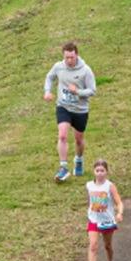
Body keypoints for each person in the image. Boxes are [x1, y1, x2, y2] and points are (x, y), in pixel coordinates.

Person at [44, 40, 96, 181]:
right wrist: (47, 91)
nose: (69, 60)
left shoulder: (85, 70)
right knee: (62, 136)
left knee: (79, 139)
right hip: (63, 106)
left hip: (80, 110)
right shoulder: (59, 67)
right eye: (66, 57)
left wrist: (78, 92)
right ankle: (63, 168)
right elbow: (49, 77)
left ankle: (79, 159)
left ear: (76, 55)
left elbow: (92, 91)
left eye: (71, 57)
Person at [83, 158, 122, 261]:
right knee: (93, 246)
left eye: (102, 170)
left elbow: (119, 202)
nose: (100, 173)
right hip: (93, 220)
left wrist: (119, 213)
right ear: (94, 172)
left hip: (107, 221)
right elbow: (89, 202)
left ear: (106, 172)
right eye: (97, 170)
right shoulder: (89, 185)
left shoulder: (109, 186)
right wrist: (88, 214)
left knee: (107, 245)